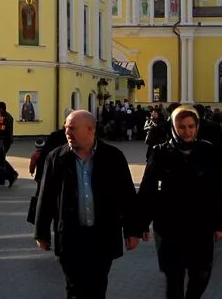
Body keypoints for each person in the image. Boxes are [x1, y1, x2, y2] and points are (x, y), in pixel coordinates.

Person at [34, 110, 143, 299]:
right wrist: (41, 232)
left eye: (72, 129)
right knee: (74, 289)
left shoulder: (113, 156)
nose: (67, 133)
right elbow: (46, 197)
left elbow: (127, 195)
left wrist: (132, 230)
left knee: (97, 287)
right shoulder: (56, 158)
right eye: (66, 128)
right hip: (70, 235)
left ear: (90, 129)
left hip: (102, 235)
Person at [138, 105, 222, 299]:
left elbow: (217, 190)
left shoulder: (207, 151)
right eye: (182, 127)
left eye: (191, 126)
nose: (187, 131)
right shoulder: (161, 152)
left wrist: (221, 223)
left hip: (201, 224)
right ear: (173, 127)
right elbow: (148, 189)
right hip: (170, 225)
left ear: (197, 127)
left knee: (202, 273)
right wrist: (142, 223)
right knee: (174, 277)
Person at [0, 101, 19, 186]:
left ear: (1, 108)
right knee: (1, 159)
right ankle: (4, 178)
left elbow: (1, 129)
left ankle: (10, 175)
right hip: (6, 140)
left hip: (3, 141)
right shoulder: (8, 116)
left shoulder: (3, 117)